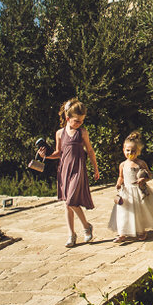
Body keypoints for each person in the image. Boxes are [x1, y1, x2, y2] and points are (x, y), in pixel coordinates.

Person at [41, 98, 100, 247]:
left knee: (70, 200)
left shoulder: (83, 133)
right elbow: (58, 152)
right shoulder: (60, 133)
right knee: (67, 205)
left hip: (78, 169)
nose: (80, 124)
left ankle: (87, 227)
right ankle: (71, 235)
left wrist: (95, 168)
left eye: (82, 121)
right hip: (64, 170)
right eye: (77, 121)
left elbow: (90, 151)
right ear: (68, 118)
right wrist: (46, 156)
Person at [108, 131, 153, 242]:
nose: (130, 153)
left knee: (139, 212)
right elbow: (121, 176)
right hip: (126, 191)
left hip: (138, 191)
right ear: (124, 150)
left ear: (138, 152)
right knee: (124, 211)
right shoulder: (123, 164)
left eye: (133, 151)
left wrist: (143, 179)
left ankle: (141, 231)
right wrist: (118, 183)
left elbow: (149, 175)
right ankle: (122, 233)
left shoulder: (140, 163)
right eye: (127, 150)